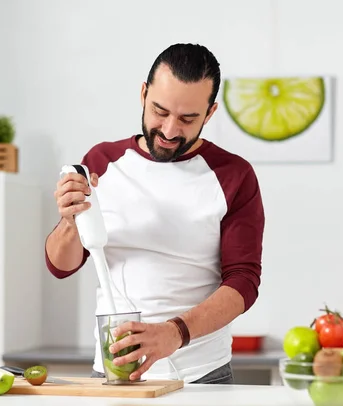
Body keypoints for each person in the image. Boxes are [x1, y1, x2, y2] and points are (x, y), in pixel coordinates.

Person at [45, 43, 265, 384]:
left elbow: (243, 282)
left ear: (209, 113)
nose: (170, 130)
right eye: (159, 111)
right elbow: (61, 265)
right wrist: (69, 220)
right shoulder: (102, 161)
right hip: (113, 374)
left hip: (200, 375)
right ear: (144, 94)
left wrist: (175, 333)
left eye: (188, 118)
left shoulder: (233, 175)